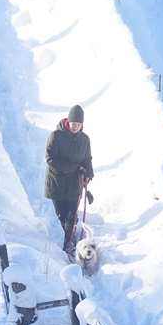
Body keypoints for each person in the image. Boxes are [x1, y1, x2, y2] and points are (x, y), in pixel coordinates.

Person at [45, 104, 93, 256]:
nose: (75, 127)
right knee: (62, 214)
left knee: (71, 216)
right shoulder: (56, 136)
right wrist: (73, 167)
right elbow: (50, 159)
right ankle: (67, 238)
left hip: (74, 184)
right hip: (57, 183)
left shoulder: (85, 140)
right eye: (73, 124)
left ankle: (68, 244)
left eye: (79, 124)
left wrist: (89, 173)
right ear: (68, 121)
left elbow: (87, 159)